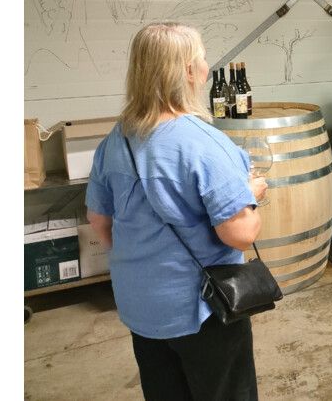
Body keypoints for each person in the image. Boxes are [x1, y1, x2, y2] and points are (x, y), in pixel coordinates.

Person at [85, 22, 268, 401]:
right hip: (202, 310)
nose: (205, 68)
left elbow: (99, 222)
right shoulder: (205, 143)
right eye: (202, 59)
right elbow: (239, 233)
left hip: (141, 307)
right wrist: (251, 195)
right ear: (187, 71)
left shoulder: (115, 139)